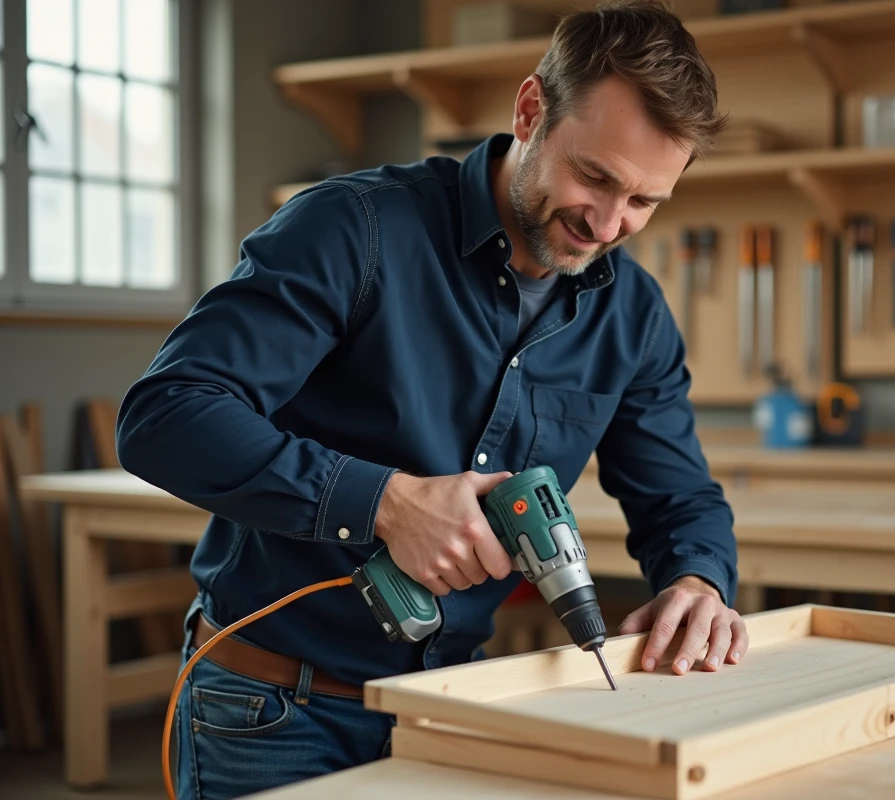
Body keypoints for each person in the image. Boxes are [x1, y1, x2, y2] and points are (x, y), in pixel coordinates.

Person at [116, 1, 747, 797]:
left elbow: (680, 497)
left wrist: (697, 583)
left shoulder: (636, 315)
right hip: (273, 711)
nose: (608, 223)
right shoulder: (356, 228)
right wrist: (384, 503)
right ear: (531, 111)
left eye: (645, 202)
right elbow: (165, 415)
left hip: (447, 712)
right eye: (595, 177)